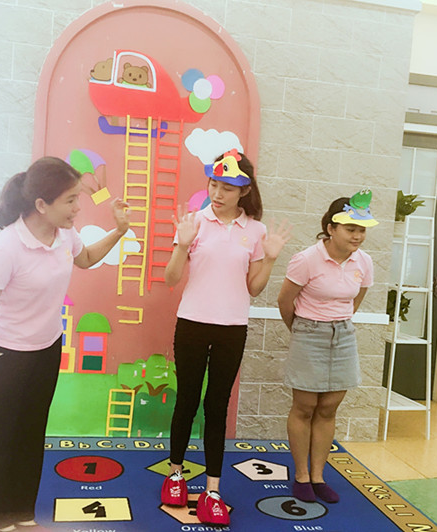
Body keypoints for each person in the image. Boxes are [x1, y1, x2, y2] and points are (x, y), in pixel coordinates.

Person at [0, 156, 130, 532]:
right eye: (70, 200)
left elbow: (86, 259)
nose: (77, 207)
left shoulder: (65, 234)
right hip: (5, 355)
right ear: (41, 204)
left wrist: (119, 231)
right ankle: (2, 520)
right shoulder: (7, 247)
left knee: (30, 434)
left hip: (46, 351)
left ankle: (23, 514)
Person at [160, 149, 292, 525]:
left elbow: (253, 288)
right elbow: (170, 279)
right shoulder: (194, 223)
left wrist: (270, 259)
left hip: (232, 328)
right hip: (192, 324)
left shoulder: (256, 231)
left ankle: (213, 490)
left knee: (217, 406)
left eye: (227, 188)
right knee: (187, 400)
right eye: (214, 184)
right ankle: (175, 474)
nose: (217, 193)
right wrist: (182, 244)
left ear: (244, 190)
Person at [277, 189, 378, 504]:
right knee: (305, 407)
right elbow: (285, 301)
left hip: (343, 335)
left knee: (329, 407)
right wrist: (302, 331)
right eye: (351, 229)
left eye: (361, 230)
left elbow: (356, 299)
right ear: (331, 228)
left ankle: (318, 476)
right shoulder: (307, 259)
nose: (357, 236)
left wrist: (338, 325)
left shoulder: (364, 261)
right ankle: (301, 476)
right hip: (308, 332)